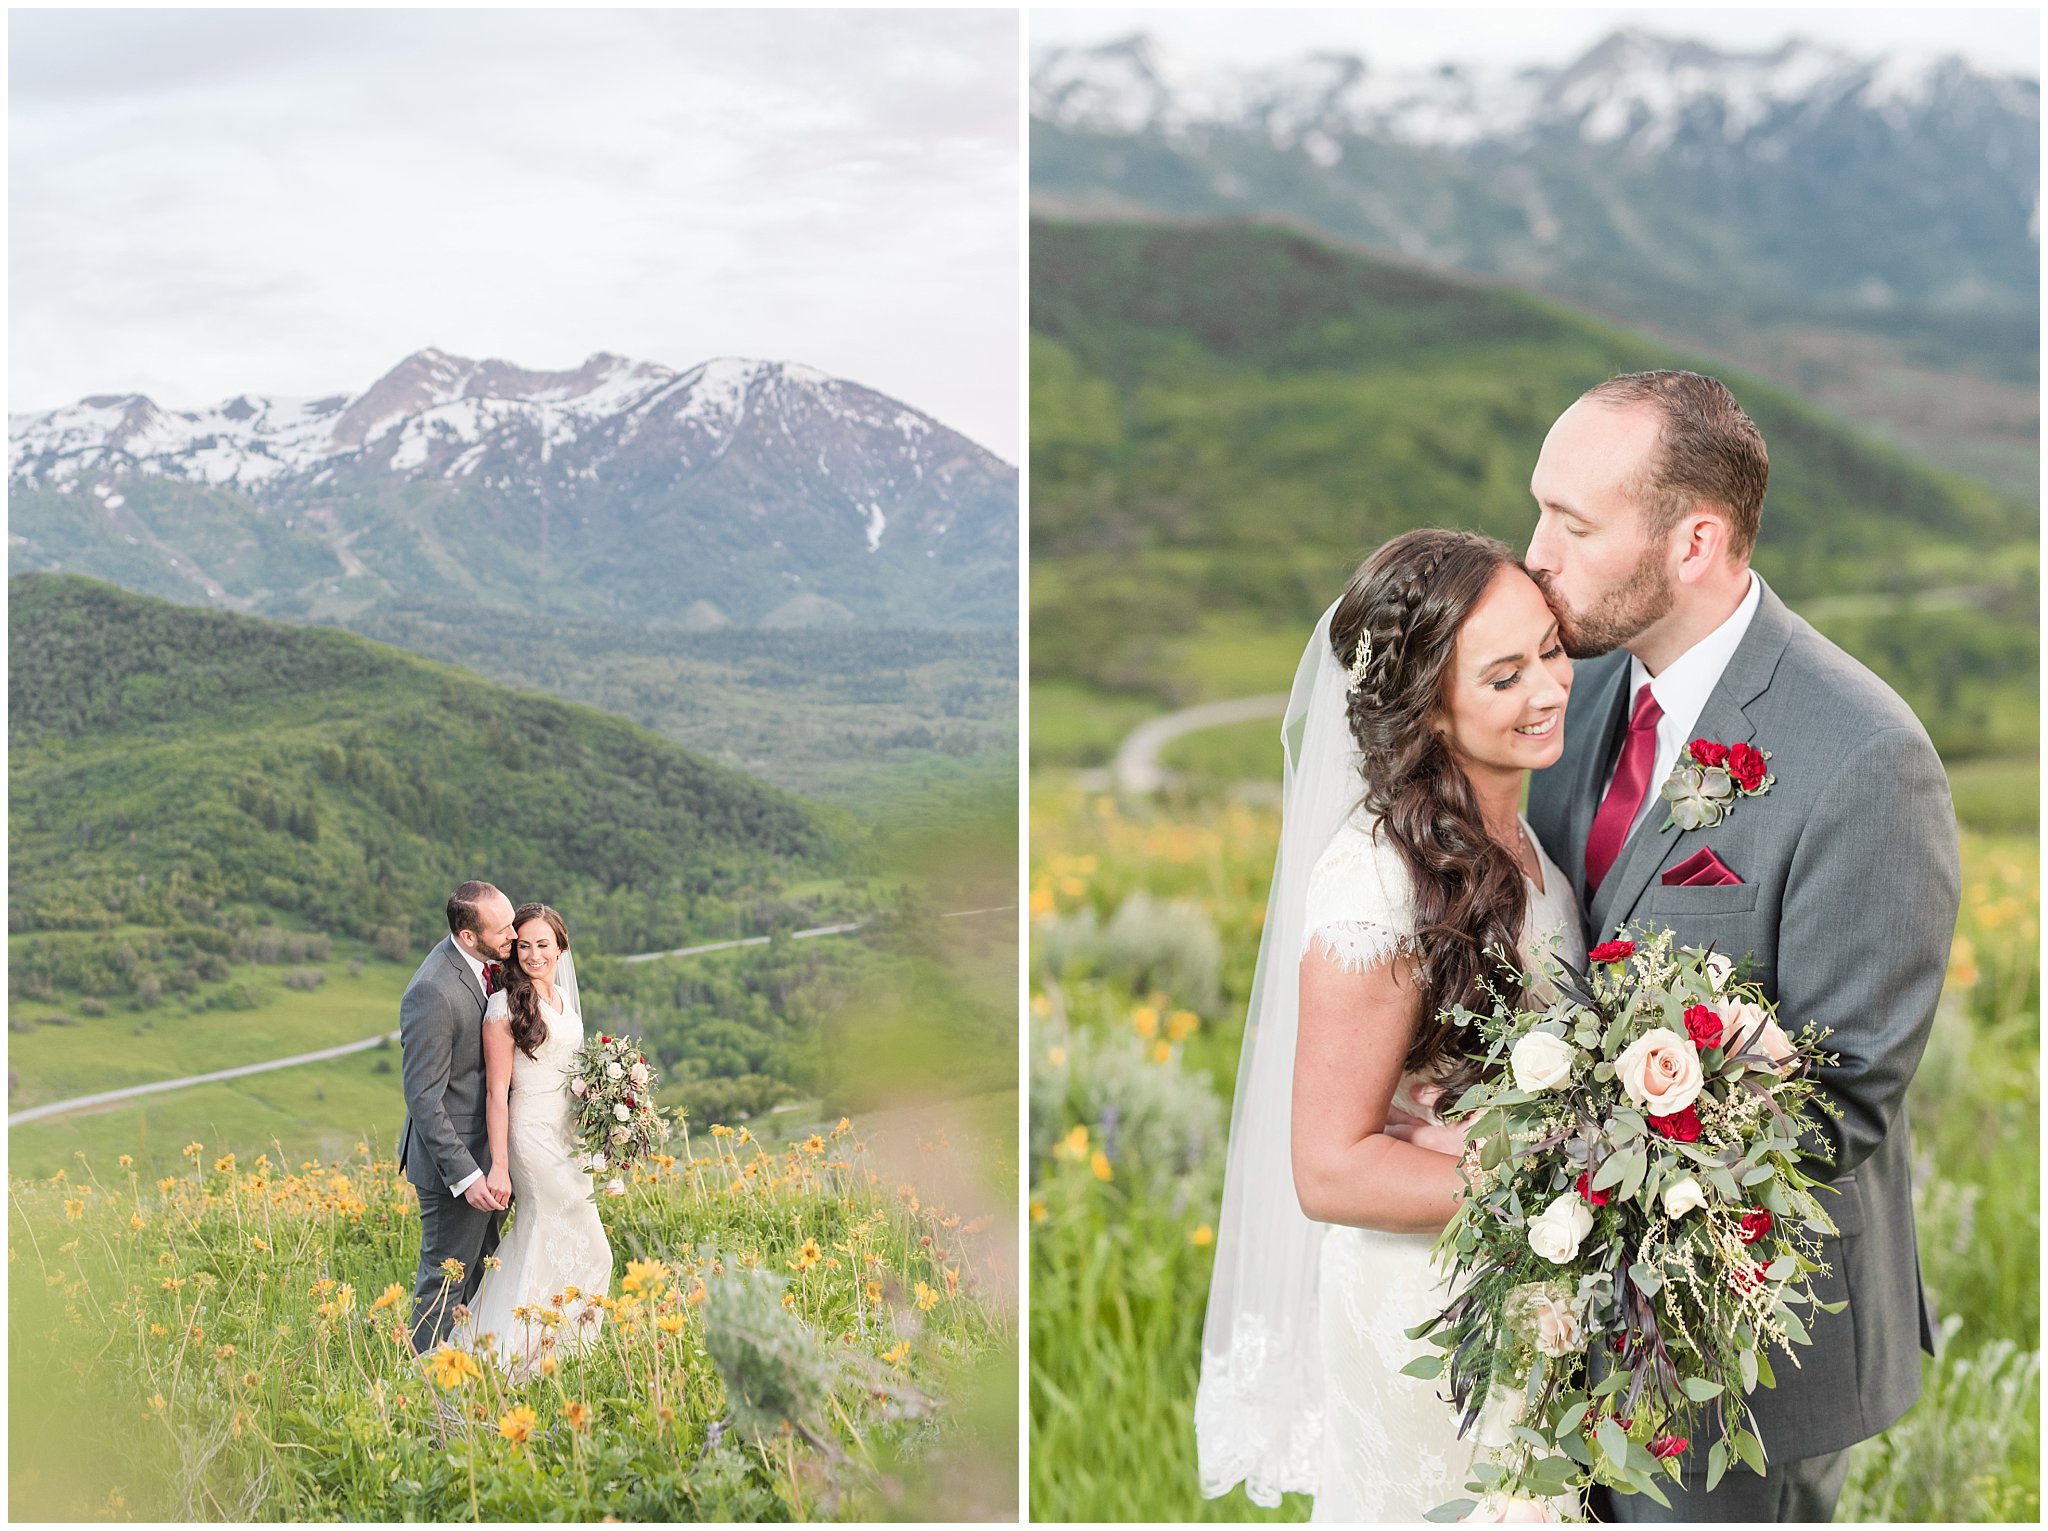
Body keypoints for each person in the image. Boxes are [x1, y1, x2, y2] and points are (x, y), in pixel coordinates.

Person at [1523, 370, 1960, 1521]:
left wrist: (1592, 1169)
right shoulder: (1568, 701)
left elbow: (1845, 1091)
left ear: (1694, 540)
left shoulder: (1863, 754)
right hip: (1551, 1330)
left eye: (1571, 525)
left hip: (1739, 1364)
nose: (1534, 554)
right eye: (1537, 512)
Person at [1196, 529, 1586, 1521]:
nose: (1547, 688)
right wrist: (1548, 1184)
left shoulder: (1529, 848)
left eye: (1548, 649)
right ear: (1431, 711)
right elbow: (1328, 1167)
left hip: (1524, 1290)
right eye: (1503, 677)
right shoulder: (1376, 881)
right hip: (1427, 1312)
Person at [460, 902, 612, 1374]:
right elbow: (497, 1093)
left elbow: (576, 1069)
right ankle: (511, 1355)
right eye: (523, 945)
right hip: (532, 1134)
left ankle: (557, 1352)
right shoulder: (504, 1005)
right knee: (583, 1242)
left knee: (554, 1243)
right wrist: (500, 1165)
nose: (532, 955)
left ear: (560, 946)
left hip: (569, 1137)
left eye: (543, 945)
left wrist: (608, 1101)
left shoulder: (564, 1000)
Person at [398, 879, 517, 1353]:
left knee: (482, 1270)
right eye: (503, 930)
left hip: (488, 1157)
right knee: (444, 1283)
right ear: (469, 936)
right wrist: (467, 1177)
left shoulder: (482, 963)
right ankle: (418, 1383)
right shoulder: (432, 991)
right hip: (456, 1167)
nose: (512, 935)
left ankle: (464, 1369)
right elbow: (424, 1098)